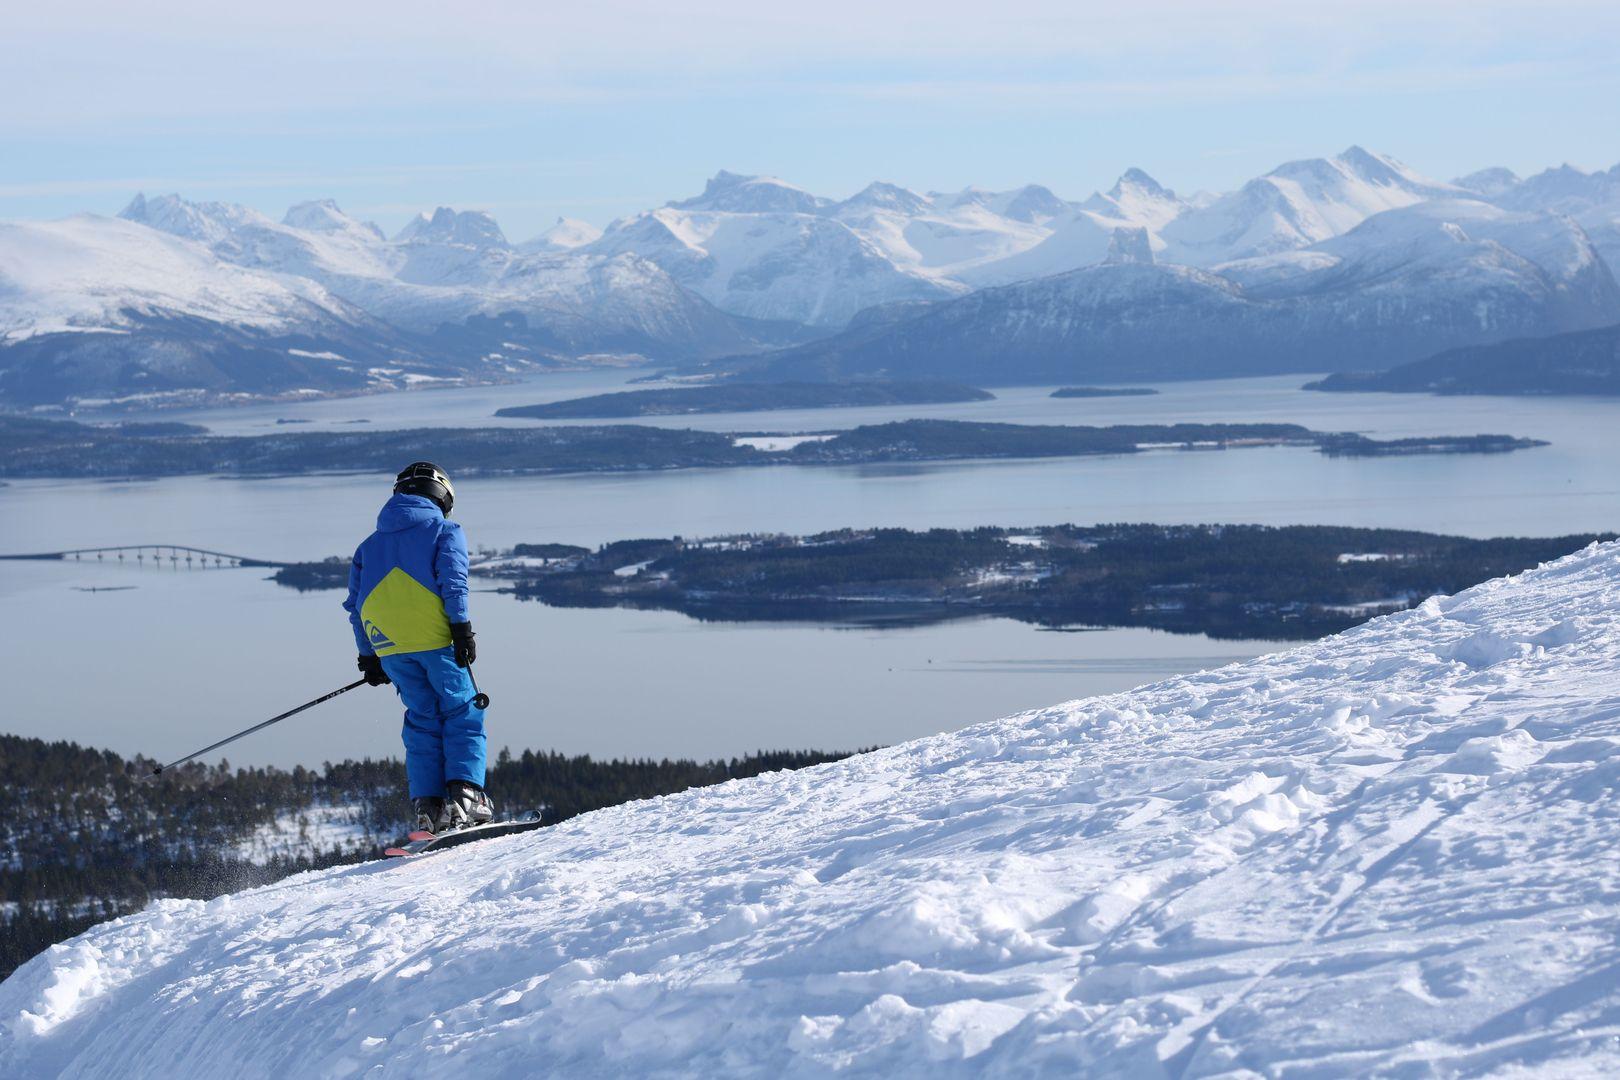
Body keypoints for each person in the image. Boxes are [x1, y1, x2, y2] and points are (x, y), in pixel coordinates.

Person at [343, 461, 493, 833]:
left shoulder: (368, 546)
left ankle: (431, 807)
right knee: (463, 711)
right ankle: (467, 799)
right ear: (442, 497)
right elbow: (453, 583)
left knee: (423, 719)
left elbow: (356, 606)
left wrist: (369, 656)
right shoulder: (445, 531)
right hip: (436, 639)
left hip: (391, 647)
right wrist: (461, 629)